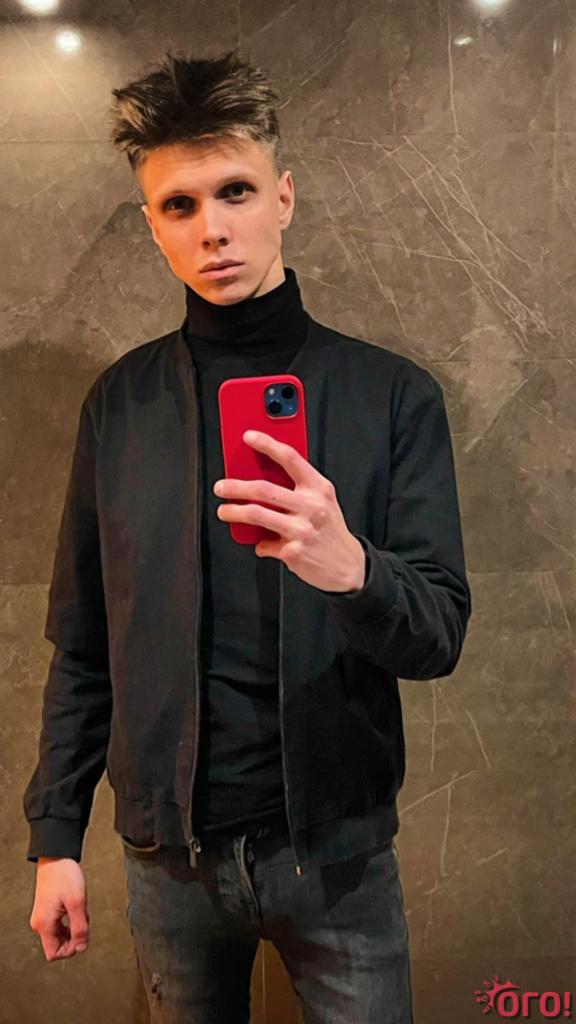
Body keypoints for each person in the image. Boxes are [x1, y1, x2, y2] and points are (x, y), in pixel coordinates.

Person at [23, 48, 472, 1024]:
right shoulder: (120, 406)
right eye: (179, 205)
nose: (213, 228)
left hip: (340, 863)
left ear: (284, 198)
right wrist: (56, 838)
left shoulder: (392, 396)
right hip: (169, 868)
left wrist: (351, 569)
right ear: (152, 226)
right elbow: (85, 645)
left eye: (235, 191)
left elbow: (439, 635)